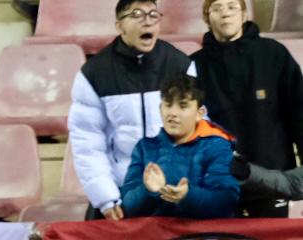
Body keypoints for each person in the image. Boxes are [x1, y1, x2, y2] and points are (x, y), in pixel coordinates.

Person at [68, 0, 193, 220]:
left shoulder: (180, 65)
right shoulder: (95, 72)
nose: (147, 21)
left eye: (153, 15)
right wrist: (106, 198)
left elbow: (195, 130)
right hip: (122, 191)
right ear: (119, 25)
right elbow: (87, 143)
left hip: (172, 189)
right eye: (137, 15)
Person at [191, 0, 303, 217]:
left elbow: (299, 112)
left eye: (232, 7)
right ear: (206, 19)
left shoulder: (274, 54)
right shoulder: (193, 66)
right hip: (217, 186)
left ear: (244, 15)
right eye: (217, 8)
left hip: (271, 182)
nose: (225, 13)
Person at [119, 74, 240, 218]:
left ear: (199, 113)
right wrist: (147, 190)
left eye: (183, 106)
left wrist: (188, 196)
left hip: (201, 237)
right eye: (168, 104)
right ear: (160, 108)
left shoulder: (217, 146)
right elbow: (126, 207)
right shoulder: (144, 148)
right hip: (155, 238)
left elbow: (227, 200)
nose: (173, 113)